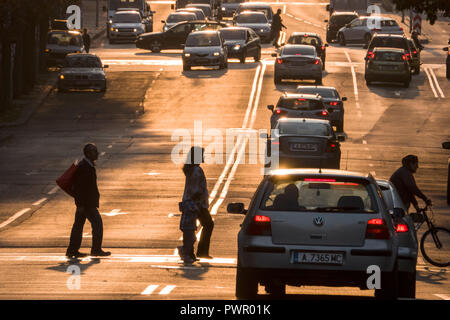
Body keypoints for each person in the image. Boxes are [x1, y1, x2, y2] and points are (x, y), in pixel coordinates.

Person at [66, 143, 111, 258]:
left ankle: (72, 250)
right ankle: (96, 249)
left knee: (78, 225)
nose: (97, 153)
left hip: (85, 203)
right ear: (88, 153)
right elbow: (80, 188)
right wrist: (80, 204)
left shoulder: (87, 165)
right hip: (86, 204)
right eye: (94, 151)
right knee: (97, 224)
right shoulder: (84, 167)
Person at [178, 146, 214, 263]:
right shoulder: (197, 170)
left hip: (191, 203)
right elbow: (196, 189)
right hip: (197, 204)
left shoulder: (191, 169)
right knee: (207, 224)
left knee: (191, 227)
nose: (204, 157)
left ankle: (192, 253)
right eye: (202, 155)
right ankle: (197, 251)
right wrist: (199, 201)